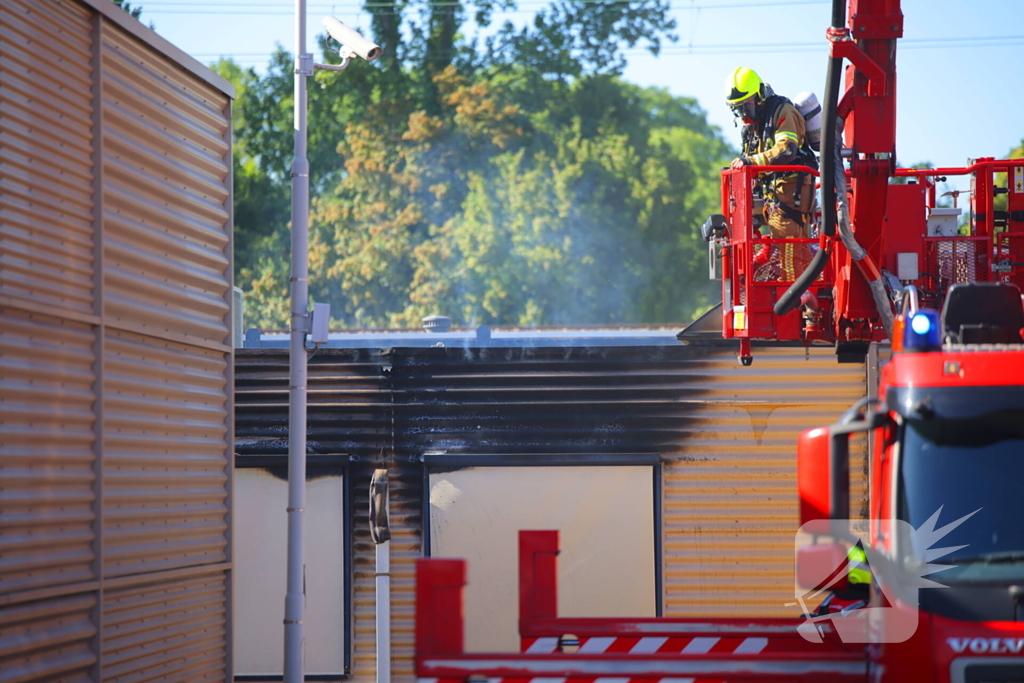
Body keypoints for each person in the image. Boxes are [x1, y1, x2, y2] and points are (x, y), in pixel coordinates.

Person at [724, 67, 818, 279]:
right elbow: (749, 158)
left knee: (789, 248)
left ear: (758, 96)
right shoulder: (752, 126)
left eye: (745, 107)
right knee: (789, 246)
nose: (744, 116)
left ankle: (794, 300)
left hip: (791, 188)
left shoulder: (782, 111)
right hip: (772, 193)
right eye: (737, 110)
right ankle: (805, 295)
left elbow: (786, 150)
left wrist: (751, 162)